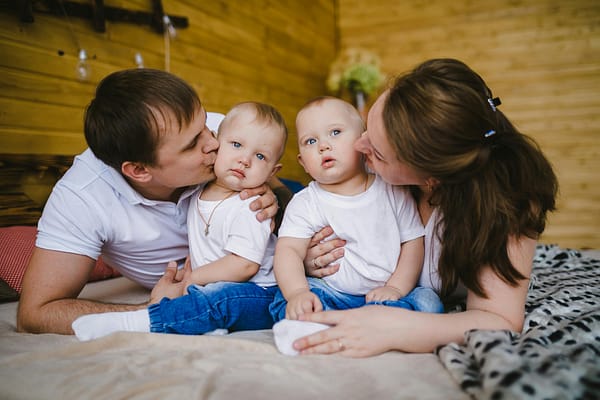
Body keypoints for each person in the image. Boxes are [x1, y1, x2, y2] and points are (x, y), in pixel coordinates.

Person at [294, 58, 558, 357]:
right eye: (366, 128)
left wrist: (394, 328)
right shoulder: (376, 177)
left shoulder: (508, 203)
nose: (358, 145)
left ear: (430, 178)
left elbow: (500, 319)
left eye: (377, 153)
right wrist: (307, 257)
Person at [17, 69, 288, 335]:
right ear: (139, 171)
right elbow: (35, 314)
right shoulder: (82, 198)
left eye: (206, 123)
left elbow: (278, 186)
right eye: (194, 144)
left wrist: (274, 200)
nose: (214, 143)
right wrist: (156, 309)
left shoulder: (219, 133)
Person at [71, 101, 288, 340]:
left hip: (261, 290)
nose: (244, 160)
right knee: (207, 299)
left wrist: (193, 277)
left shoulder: (251, 206)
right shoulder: (195, 191)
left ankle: (140, 321)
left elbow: (245, 265)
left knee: (222, 301)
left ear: (271, 172)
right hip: (213, 285)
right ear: (218, 144)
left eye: (259, 156)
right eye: (236, 145)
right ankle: (199, 320)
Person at [268, 97, 443, 336]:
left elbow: (412, 242)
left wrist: (395, 288)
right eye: (311, 141)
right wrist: (298, 293)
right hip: (333, 293)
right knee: (283, 300)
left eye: (335, 132)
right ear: (303, 163)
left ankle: (360, 323)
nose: (323, 146)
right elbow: (288, 251)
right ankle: (333, 322)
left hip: (388, 296)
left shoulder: (392, 190)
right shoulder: (305, 203)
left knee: (428, 301)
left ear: (362, 141)